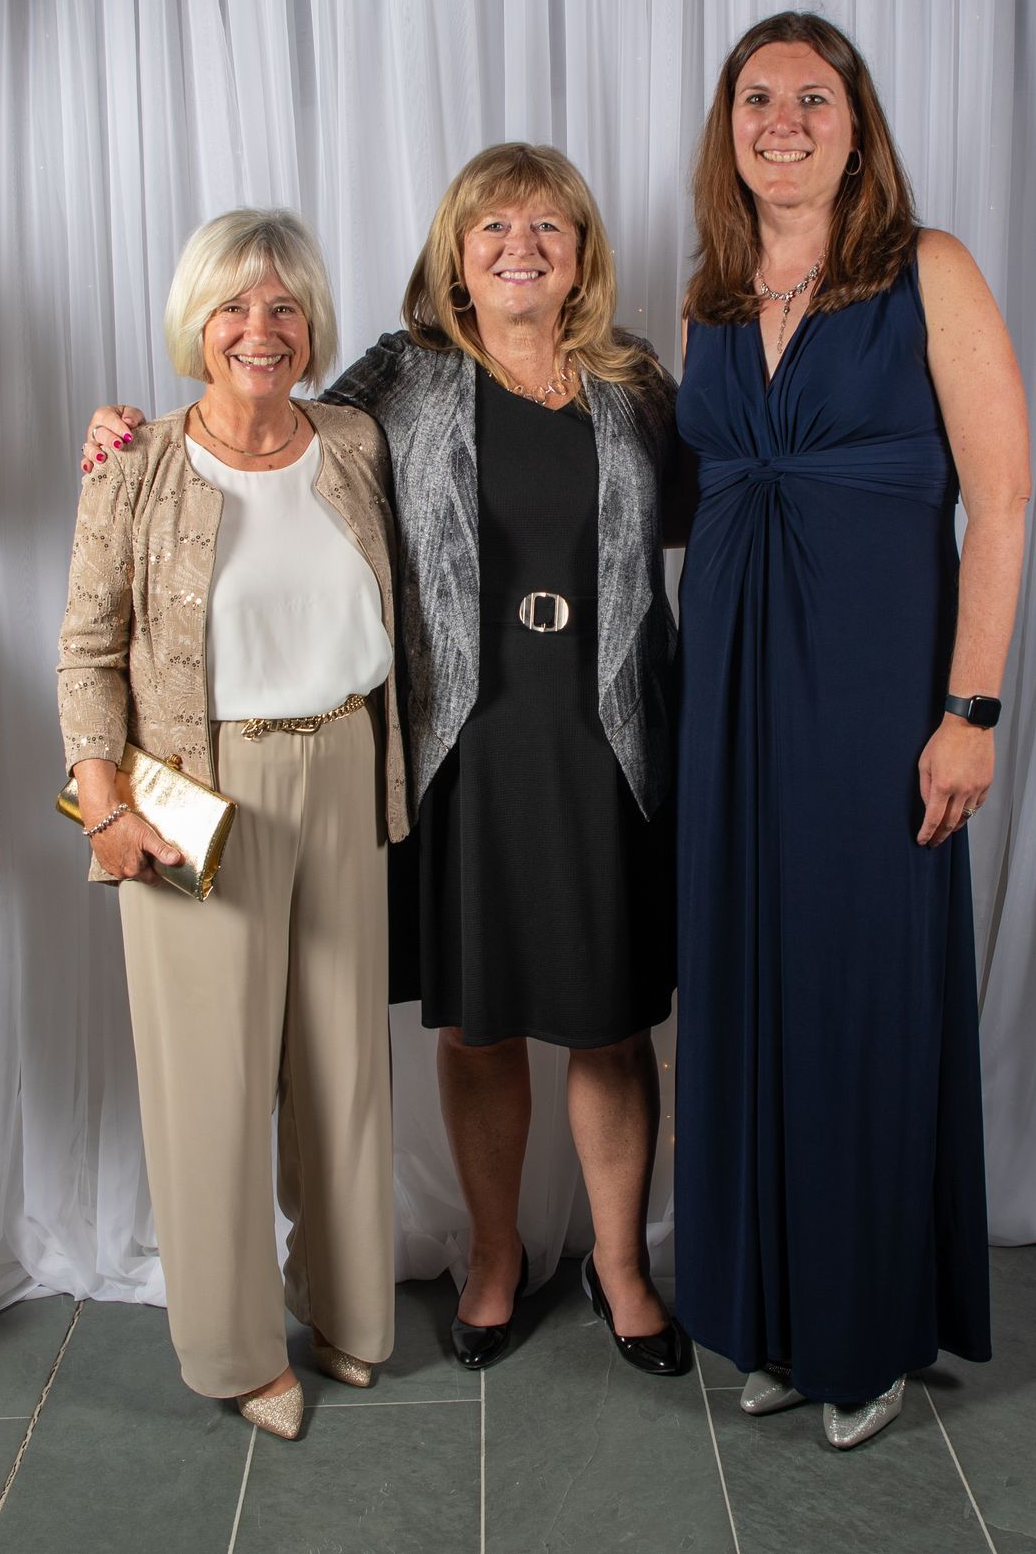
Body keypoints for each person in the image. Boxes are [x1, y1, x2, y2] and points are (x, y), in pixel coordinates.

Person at [82, 144, 688, 1377]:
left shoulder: (637, 383)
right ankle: (497, 1256)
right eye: (491, 226)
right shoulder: (405, 379)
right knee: (478, 1029)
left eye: (547, 226)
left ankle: (623, 1269)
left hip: (608, 744)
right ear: (454, 256)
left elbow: (708, 513)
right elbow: (266, 417)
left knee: (613, 1027)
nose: (520, 245)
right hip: (461, 747)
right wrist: (125, 430)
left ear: (582, 252)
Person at [670, 12, 1030, 1450]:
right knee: (750, 994)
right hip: (731, 705)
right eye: (758, 98)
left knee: (862, 1000)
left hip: (882, 702)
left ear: (856, 121)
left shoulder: (927, 271)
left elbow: (1000, 502)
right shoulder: (707, 297)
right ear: (730, 129)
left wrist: (971, 711)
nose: (784, 119)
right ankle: (771, 1315)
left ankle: (869, 1327)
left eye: (813, 96)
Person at [59, 209, 406, 1442]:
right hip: (192, 795)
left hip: (347, 764)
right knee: (208, 1089)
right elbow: (88, 651)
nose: (260, 331)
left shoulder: (359, 440)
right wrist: (101, 802)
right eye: (233, 308)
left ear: (312, 325)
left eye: (285, 308)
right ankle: (232, 1352)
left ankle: (351, 1311)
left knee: (342, 1069)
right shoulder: (135, 462)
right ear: (194, 324)